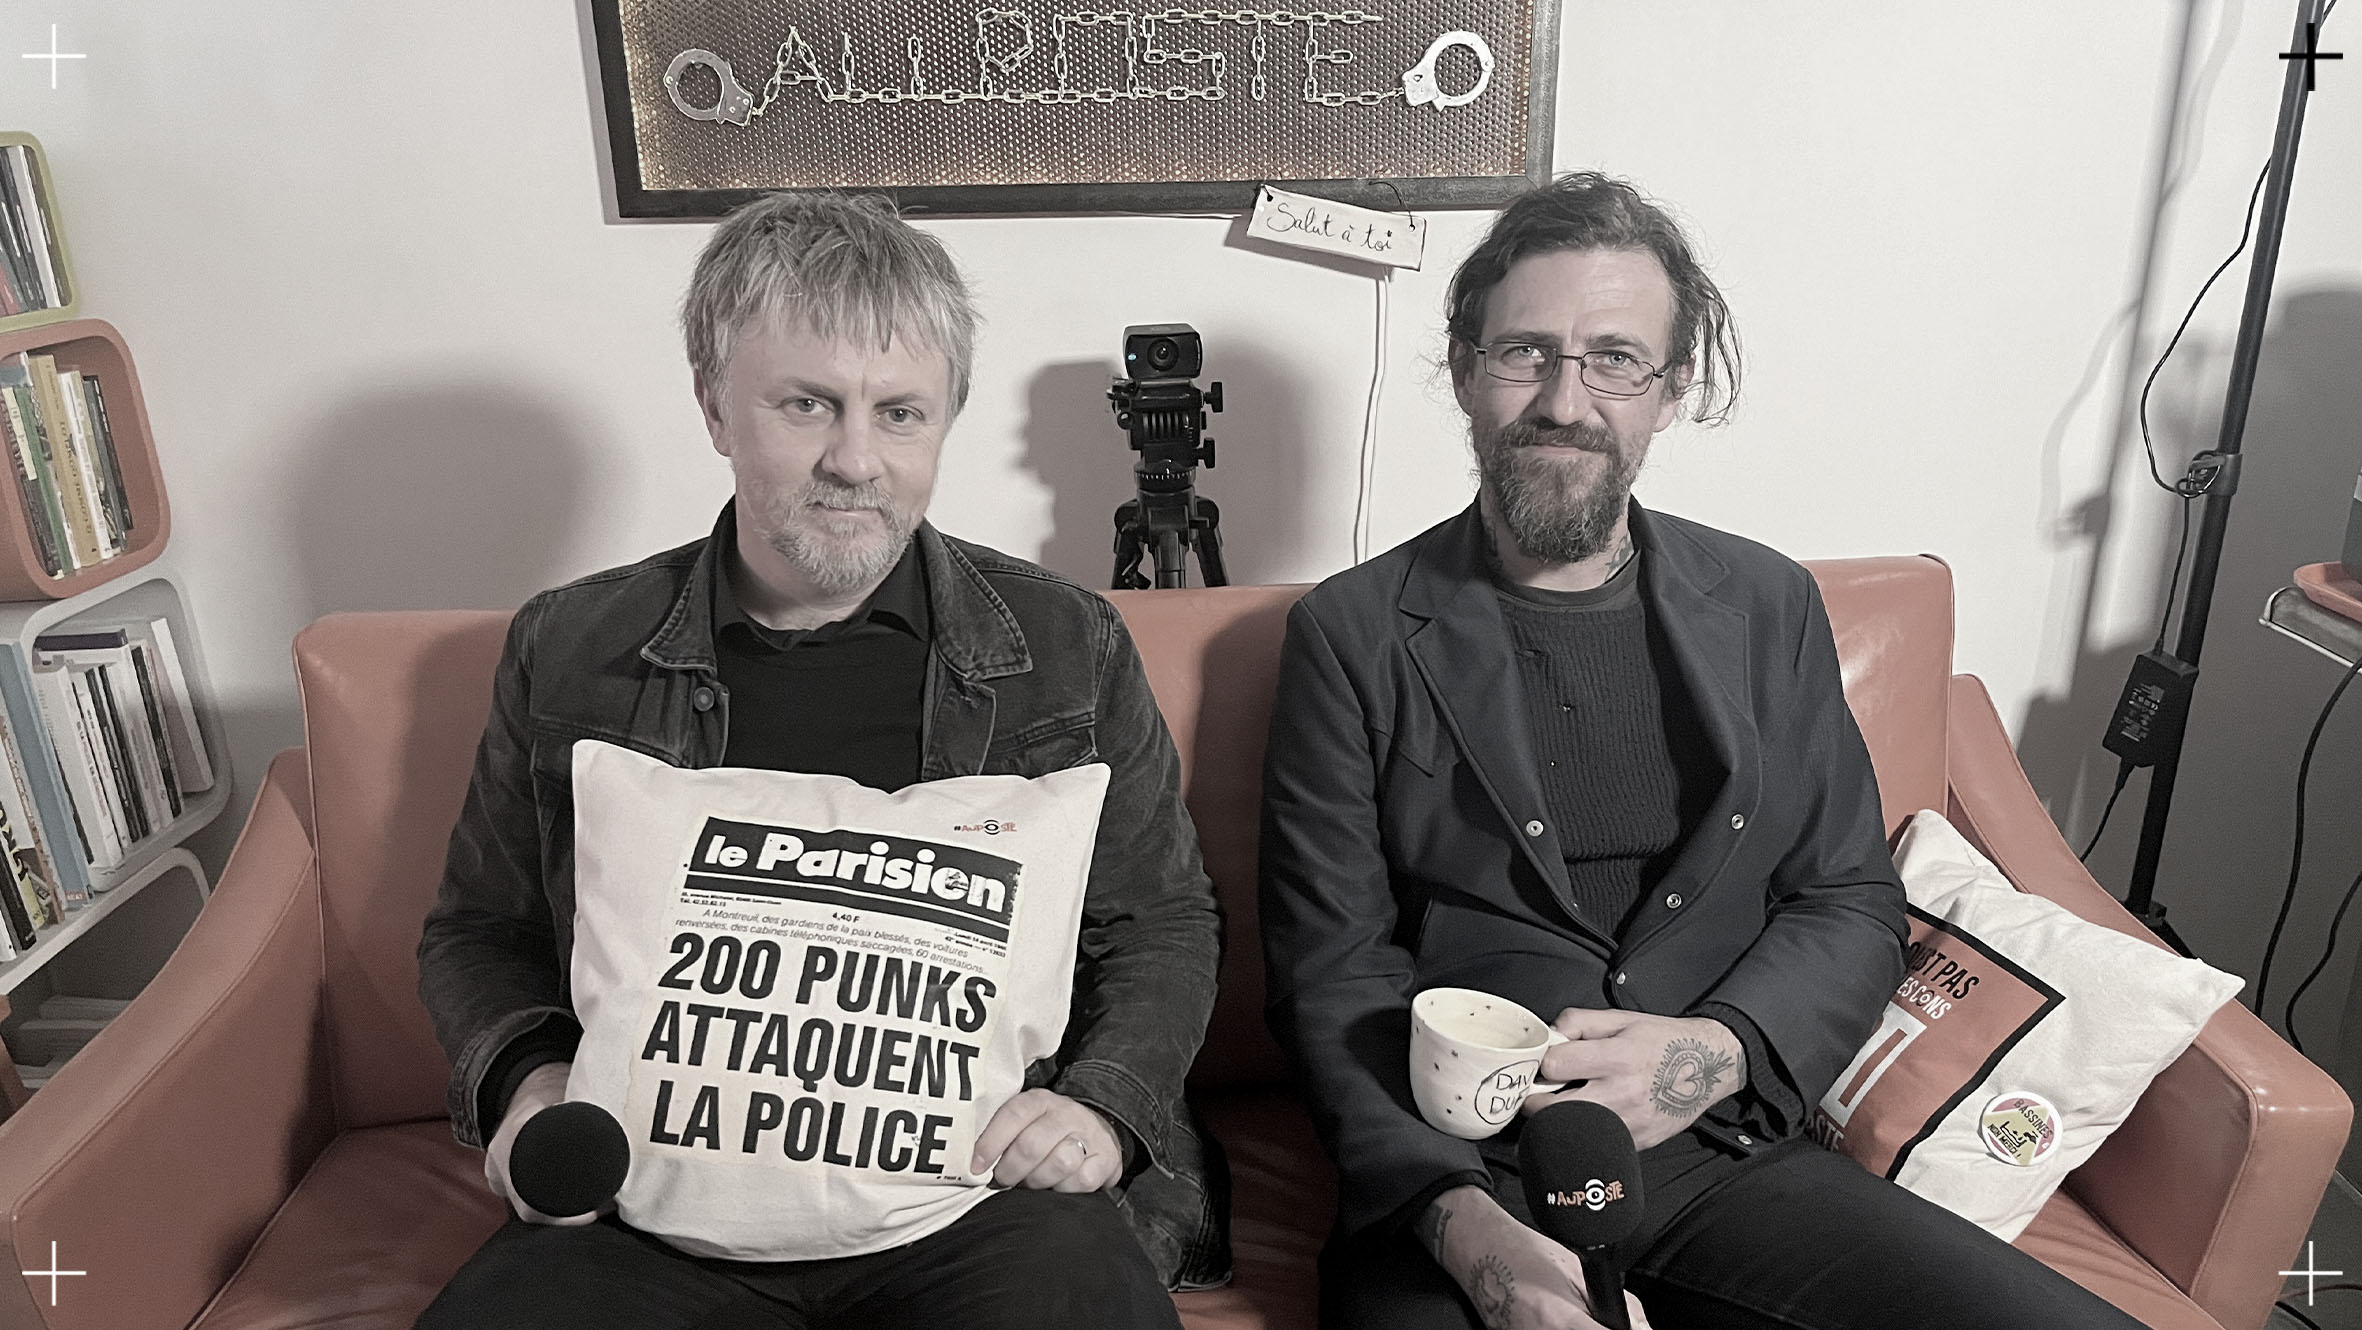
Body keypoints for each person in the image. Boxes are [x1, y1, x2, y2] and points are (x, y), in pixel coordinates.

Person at [1257, 171, 2145, 1330]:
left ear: (1672, 390)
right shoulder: (1351, 632)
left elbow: (1847, 897)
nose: (1564, 400)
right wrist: (1464, 1231)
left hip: (1717, 1152)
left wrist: (1712, 1055)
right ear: (1466, 369)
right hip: (1462, 1174)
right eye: (1524, 352)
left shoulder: (1768, 604)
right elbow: (1330, 967)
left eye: (1614, 360)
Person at [414, 190, 1224, 1330]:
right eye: (807, 405)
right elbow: (480, 930)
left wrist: (1098, 1107)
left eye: (901, 414)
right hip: (648, 1209)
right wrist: (530, 1080)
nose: (856, 460)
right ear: (715, 406)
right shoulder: (572, 648)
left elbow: (1161, 922)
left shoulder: (1063, 644)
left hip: (978, 1204)